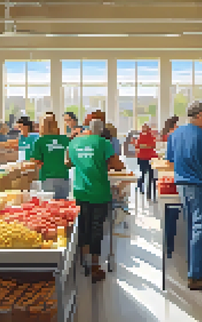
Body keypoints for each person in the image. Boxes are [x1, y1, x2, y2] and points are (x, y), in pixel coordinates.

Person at [166, 101, 202, 290]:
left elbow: (170, 162)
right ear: (200, 115)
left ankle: (194, 266)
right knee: (199, 227)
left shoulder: (174, 135)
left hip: (181, 184)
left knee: (191, 225)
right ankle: (195, 275)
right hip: (198, 185)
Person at [67, 119, 125, 283]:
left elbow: (67, 162)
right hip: (99, 192)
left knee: (83, 226)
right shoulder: (104, 143)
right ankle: (94, 266)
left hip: (80, 191)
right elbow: (117, 165)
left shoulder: (74, 142)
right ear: (101, 130)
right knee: (96, 228)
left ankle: (82, 262)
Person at [31, 114, 71, 199]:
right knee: (64, 207)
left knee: (49, 207)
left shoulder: (40, 141)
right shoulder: (65, 139)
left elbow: (36, 160)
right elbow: (70, 157)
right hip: (63, 176)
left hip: (47, 177)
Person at [135, 123, 158, 196]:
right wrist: (147, 146)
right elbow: (138, 145)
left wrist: (145, 146)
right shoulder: (140, 136)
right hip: (143, 157)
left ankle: (149, 192)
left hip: (149, 157)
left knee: (150, 175)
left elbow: (153, 145)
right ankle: (141, 186)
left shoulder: (150, 136)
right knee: (143, 173)